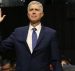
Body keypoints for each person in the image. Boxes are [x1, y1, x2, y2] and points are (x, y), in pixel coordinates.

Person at [0, 1, 62, 71]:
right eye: (31, 10)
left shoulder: (51, 33)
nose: (33, 12)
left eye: (37, 10)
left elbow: (56, 61)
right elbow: (1, 47)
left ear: (42, 14)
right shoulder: (18, 32)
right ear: (27, 14)